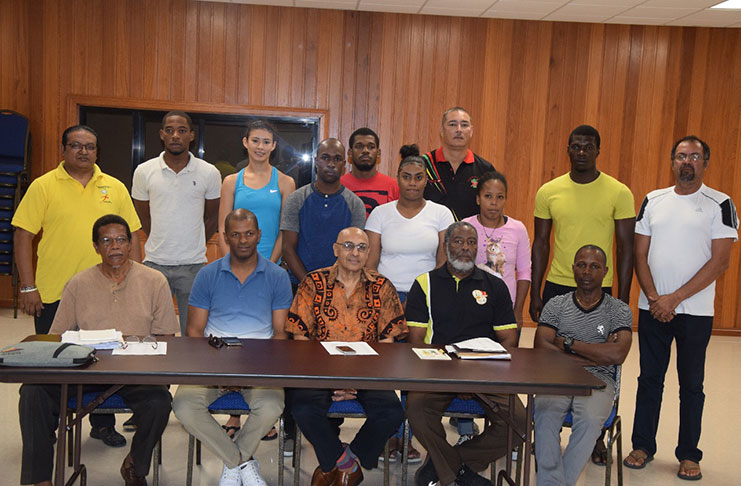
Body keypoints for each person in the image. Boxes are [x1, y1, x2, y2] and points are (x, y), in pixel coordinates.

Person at [18, 214, 178, 486]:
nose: (114, 246)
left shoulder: (155, 281)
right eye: (106, 241)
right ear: (96, 247)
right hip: (86, 372)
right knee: (32, 391)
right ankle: (40, 479)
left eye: (120, 240)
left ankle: (135, 466)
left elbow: (165, 336)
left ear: (130, 244)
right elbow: (57, 336)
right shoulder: (79, 283)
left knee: (159, 402)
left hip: (135, 373)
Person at [12, 124, 142, 448]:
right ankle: (49, 425)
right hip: (54, 291)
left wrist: (135, 281)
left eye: (90, 146)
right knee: (51, 360)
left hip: (108, 290)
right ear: (63, 150)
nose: (83, 151)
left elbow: (133, 235)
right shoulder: (43, 186)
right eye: (76, 145)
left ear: (97, 152)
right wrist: (27, 287)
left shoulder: (114, 187)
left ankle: (102, 423)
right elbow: (23, 235)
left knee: (104, 359)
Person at [624, 136, 738, 481]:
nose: (687, 162)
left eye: (695, 156)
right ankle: (643, 446)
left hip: (696, 312)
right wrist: (656, 297)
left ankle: (689, 454)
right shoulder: (653, 200)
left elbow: (720, 262)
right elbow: (639, 254)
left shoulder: (721, 203)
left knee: (691, 385)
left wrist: (673, 299)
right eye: (681, 156)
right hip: (651, 307)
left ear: (705, 162)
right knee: (649, 380)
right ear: (672, 161)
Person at [529, 125, 634, 464]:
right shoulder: (549, 190)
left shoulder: (619, 192)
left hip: (599, 287)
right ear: (568, 149)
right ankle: (548, 427)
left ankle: (595, 435)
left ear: (598, 150)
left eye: (588, 146)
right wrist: (535, 291)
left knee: (598, 361)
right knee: (549, 358)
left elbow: (625, 247)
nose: (582, 152)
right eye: (575, 146)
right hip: (559, 284)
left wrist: (622, 296)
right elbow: (541, 243)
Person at [173, 209, 292, 486]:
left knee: (273, 404)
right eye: (235, 234)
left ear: (259, 235)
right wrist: (218, 371)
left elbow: (279, 333)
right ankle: (239, 461)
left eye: (249, 233)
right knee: (183, 405)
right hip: (213, 360)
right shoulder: (207, 274)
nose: (243, 240)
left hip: (260, 364)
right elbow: (194, 332)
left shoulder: (277, 276)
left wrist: (249, 373)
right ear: (225, 238)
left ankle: (232, 463)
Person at [405, 221, 525, 486]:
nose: (465, 248)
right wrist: (454, 378)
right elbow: (416, 343)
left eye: (471, 243)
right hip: (437, 372)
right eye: (458, 241)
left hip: (486, 373)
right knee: (417, 410)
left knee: (520, 422)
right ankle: (459, 473)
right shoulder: (425, 283)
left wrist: (475, 376)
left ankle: (445, 465)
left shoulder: (495, 286)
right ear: (446, 246)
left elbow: (508, 339)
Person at [286, 227, 406, 486]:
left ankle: (341, 461)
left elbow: (388, 343)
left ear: (369, 253)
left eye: (362, 247)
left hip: (369, 372)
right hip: (320, 370)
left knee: (392, 413)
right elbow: (300, 339)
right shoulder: (312, 283)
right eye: (348, 245)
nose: (355, 252)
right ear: (336, 249)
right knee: (303, 409)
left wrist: (355, 381)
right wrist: (333, 380)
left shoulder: (382, 287)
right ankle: (346, 466)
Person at [533, 245, 632, 486]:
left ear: (605, 271)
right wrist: (596, 354)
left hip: (599, 382)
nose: (587, 271)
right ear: (573, 268)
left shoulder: (618, 310)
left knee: (588, 421)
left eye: (594, 266)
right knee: (544, 414)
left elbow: (618, 353)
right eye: (582, 265)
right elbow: (541, 347)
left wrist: (568, 343)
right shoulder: (556, 305)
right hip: (556, 376)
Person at [131, 111, 222, 335]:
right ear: (161, 134)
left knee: (193, 334)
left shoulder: (209, 172)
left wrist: (194, 241)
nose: (175, 136)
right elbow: (144, 217)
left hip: (193, 266)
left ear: (191, 135)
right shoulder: (144, 171)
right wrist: (163, 239)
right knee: (154, 333)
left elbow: (212, 217)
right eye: (169, 130)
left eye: (182, 131)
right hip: (154, 264)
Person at [366, 144, 453, 303]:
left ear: (426, 180)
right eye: (406, 177)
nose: (412, 182)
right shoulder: (379, 213)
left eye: (418, 177)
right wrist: (385, 296)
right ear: (398, 178)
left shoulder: (442, 214)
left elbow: (443, 263)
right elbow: (370, 265)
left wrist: (420, 294)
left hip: (428, 293)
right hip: (386, 294)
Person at [280, 138, 366, 286]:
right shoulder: (296, 199)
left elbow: (355, 252)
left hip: (341, 287)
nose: (331, 164)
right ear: (316, 161)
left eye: (337, 159)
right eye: (325, 158)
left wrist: (334, 287)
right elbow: (288, 249)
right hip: (300, 285)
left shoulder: (355, 204)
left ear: (344, 165)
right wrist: (311, 286)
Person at [462, 170, 531, 334]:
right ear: (478, 199)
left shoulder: (518, 228)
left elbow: (524, 272)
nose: (494, 202)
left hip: (505, 308)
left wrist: (518, 310)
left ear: (505, 199)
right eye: (488, 196)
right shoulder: (466, 226)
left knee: (506, 357)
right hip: (472, 306)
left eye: (500, 197)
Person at [219, 119, 295, 262]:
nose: (260, 147)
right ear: (245, 142)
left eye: (266, 142)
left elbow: (284, 230)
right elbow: (223, 226)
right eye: (255, 141)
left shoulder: (286, 182)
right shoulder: (231, 182)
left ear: (273, 146)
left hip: (271, 265)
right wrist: (231, 263)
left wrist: (270, 267)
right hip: (237, 263)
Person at [423, 107, 494, 221]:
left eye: (464, 125)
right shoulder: (424, 165)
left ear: (471, 131)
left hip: (471, 237)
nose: (459, 130)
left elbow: (493, 212)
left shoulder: (485, 170)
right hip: (430, 237)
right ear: (441, 130)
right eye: (452, 124)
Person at [340, 127, 399, 217]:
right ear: (350, 153)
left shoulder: (393, 186)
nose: (365, 151)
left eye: (371, 147)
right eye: (359, 146)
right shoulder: (339, 185)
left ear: (378, 153)